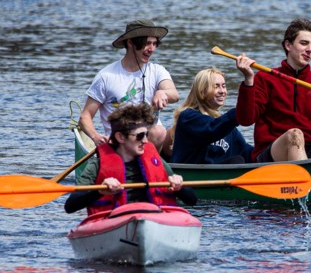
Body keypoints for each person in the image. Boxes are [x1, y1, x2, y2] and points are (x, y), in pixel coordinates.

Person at [235, 18, 311, 162]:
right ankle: (306, 181)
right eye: (304, 43)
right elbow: (245, 120)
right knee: (294, 134)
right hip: (273, 151)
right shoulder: (265, 78)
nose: (309, 49)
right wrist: (248, 80)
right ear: (288, 45)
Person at [65, 103, 195, 215]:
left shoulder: (155, 161)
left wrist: (180, 187)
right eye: (140, 136)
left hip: (155, 218)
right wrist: (99, 191)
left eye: (146, 135)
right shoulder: (97, 166)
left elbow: (192, 200)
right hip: (115, 220)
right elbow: (70, 206)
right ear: (120, 137)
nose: (145, 141)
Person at [78, 19, 179, 156]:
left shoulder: (157, 71)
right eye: (147, 43)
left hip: (152, 140)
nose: (152, 49)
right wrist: (96, 137)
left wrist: (163, 93)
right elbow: (85, 117)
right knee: (159, 132)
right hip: (120, 143)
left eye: (154, 44)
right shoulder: (106, 76)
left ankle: (155, 166)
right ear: (130, 43)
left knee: (180, 129)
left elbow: (174, 94)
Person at [169, 68, 254, 164]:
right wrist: (240, 111)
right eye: (216, 86)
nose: (222, 91)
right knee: (236, 161)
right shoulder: (188, 117)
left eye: (223, 86)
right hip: (193, 175)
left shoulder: (226, 127)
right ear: (202, 90)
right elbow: (212, 129)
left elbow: (246, 152)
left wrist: (270, 150)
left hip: (217, 174)